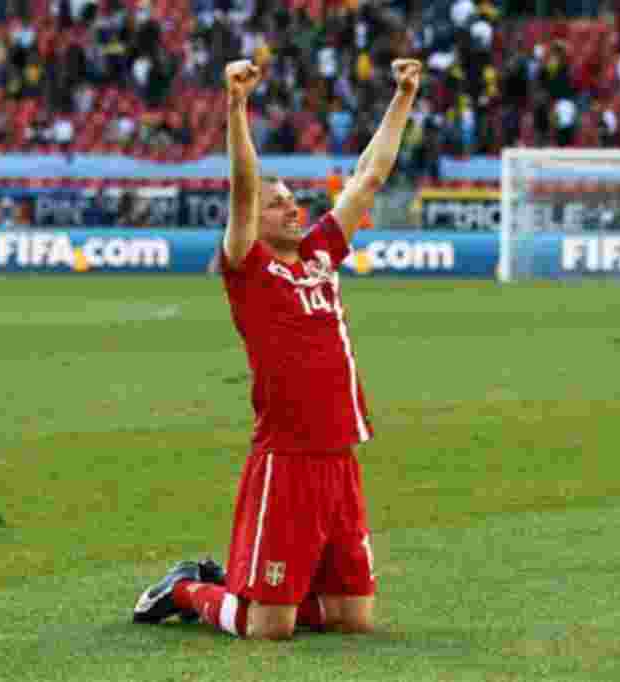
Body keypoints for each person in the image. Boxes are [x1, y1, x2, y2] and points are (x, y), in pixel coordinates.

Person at [132, 55, 423, 641]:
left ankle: (276, 590)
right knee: (269, 631)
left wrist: (404, 97)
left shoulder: (320, 251)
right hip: (286, 459)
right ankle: (189, 588)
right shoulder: (250, 269)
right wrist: (237, 106)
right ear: (252, 222)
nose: (294, 207)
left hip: (340, 451)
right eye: (278, 203)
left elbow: (369, 176)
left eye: (295, 200)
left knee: (352, 620)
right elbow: (243, 186)